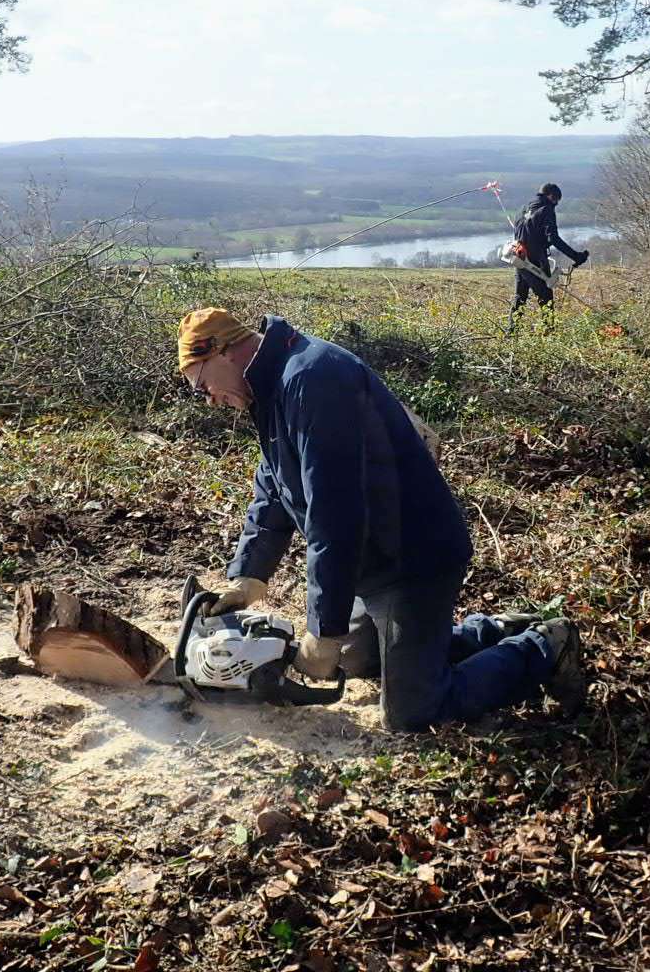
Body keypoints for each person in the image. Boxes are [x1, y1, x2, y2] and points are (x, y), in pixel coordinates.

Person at [177, 308, 584, 731]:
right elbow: (273, 489)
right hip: (373, 560)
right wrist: (248, 576)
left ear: (223, 351)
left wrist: (324, 631)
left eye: (201, 385)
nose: (208, 398)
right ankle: (491, 632)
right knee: (356, 660)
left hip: (413, 557)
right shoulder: (271, 389)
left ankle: (544, 646)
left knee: (414, 713)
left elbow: (336, 518)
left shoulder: (313, 380)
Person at [507, 182, 589, 334]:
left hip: (518, 256)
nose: (556, 205)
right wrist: (576, 256)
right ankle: (549, 333)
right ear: (551, 197)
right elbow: (554, 239)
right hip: (535, 259)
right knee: (546, 297)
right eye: (556, 201)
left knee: (520, 298)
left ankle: (511, 334)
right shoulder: (547, 210)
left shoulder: (523, 208)